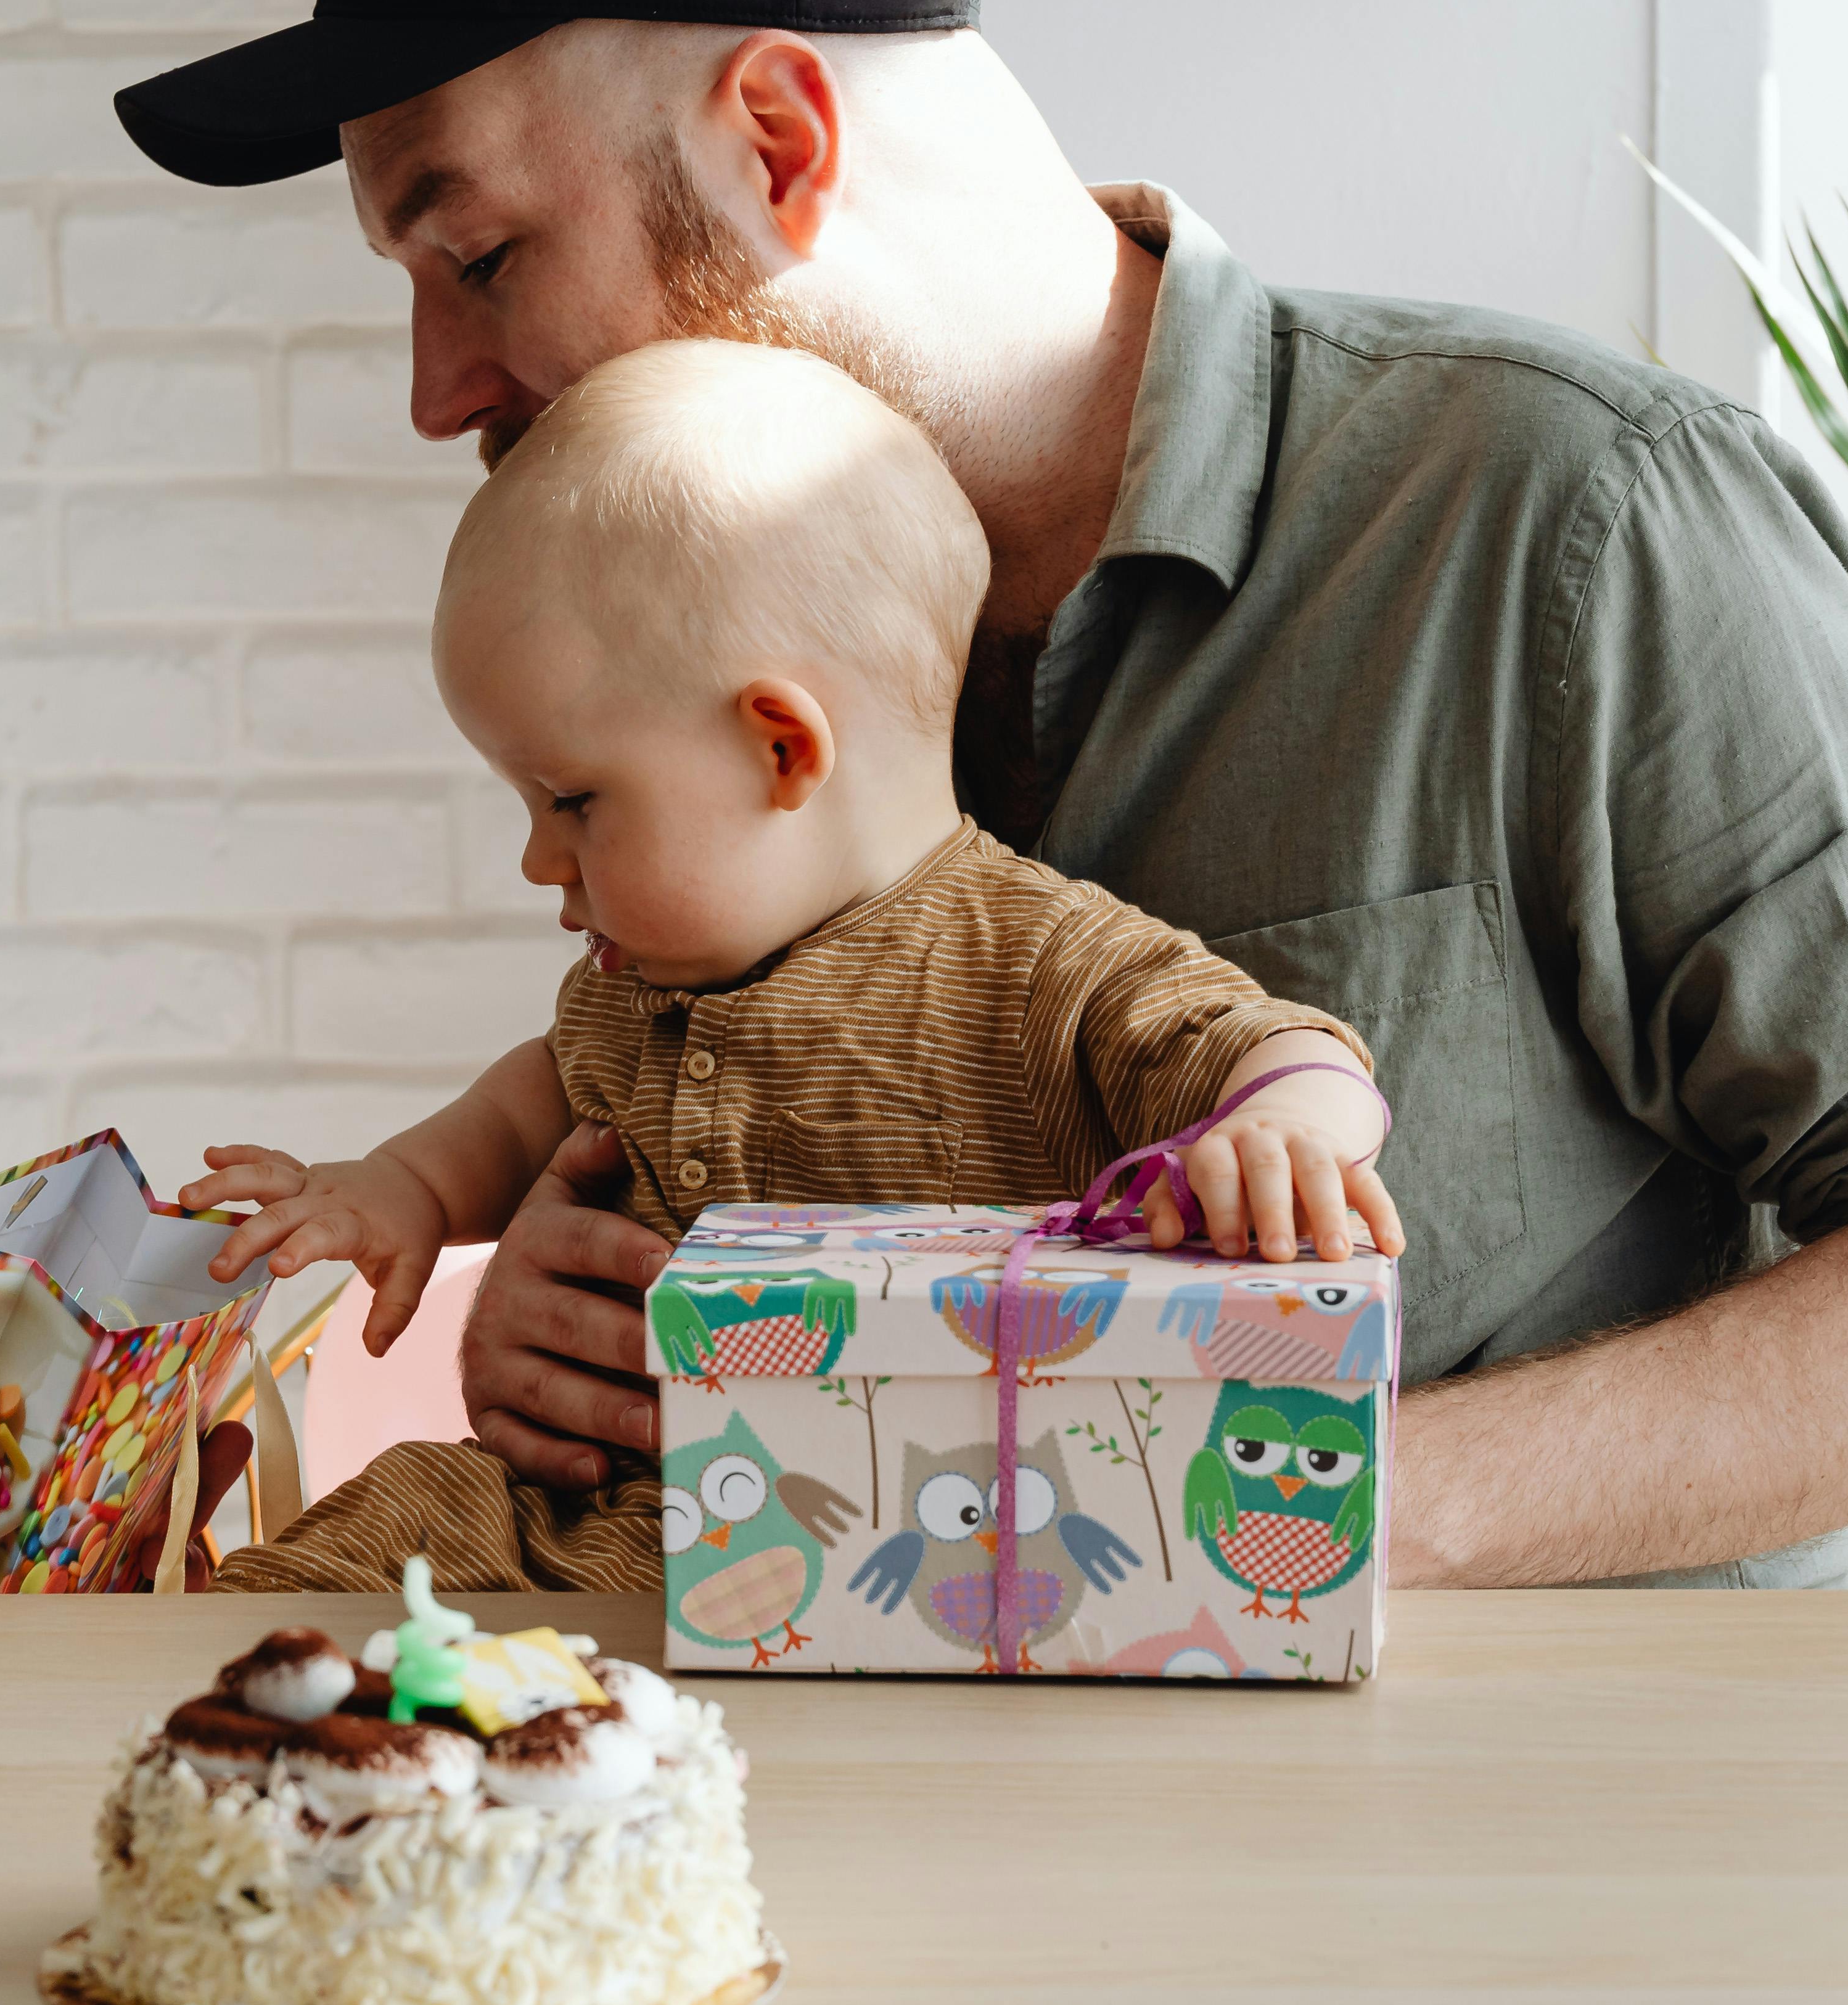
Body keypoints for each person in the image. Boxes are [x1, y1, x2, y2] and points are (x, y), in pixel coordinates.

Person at [113, 0, 1848, 1591]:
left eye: (475, 255)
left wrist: (1309, 1504)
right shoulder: (728, 631)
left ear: (778, 141)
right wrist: (585, 1329)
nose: (432, 386)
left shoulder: (1567, 516)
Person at [187, 339, 1397, 1594]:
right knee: (337, 1552)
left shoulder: (1035, 957)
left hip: (910, 1536)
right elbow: (526, 1103)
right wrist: (398, 1191)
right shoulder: (641, 981)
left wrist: (1287, 1131)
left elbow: (1263, 1041)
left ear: (779, 750)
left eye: (571, 799)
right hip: (597, 1516)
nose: (541, 860)